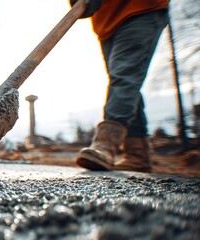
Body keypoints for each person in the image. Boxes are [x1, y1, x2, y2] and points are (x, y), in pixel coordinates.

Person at [72, 0, 169, 172]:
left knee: (124, 77)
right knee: (125, 83)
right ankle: (138, 156)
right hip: (106, 23)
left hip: (140, 8)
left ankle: (106, 144)